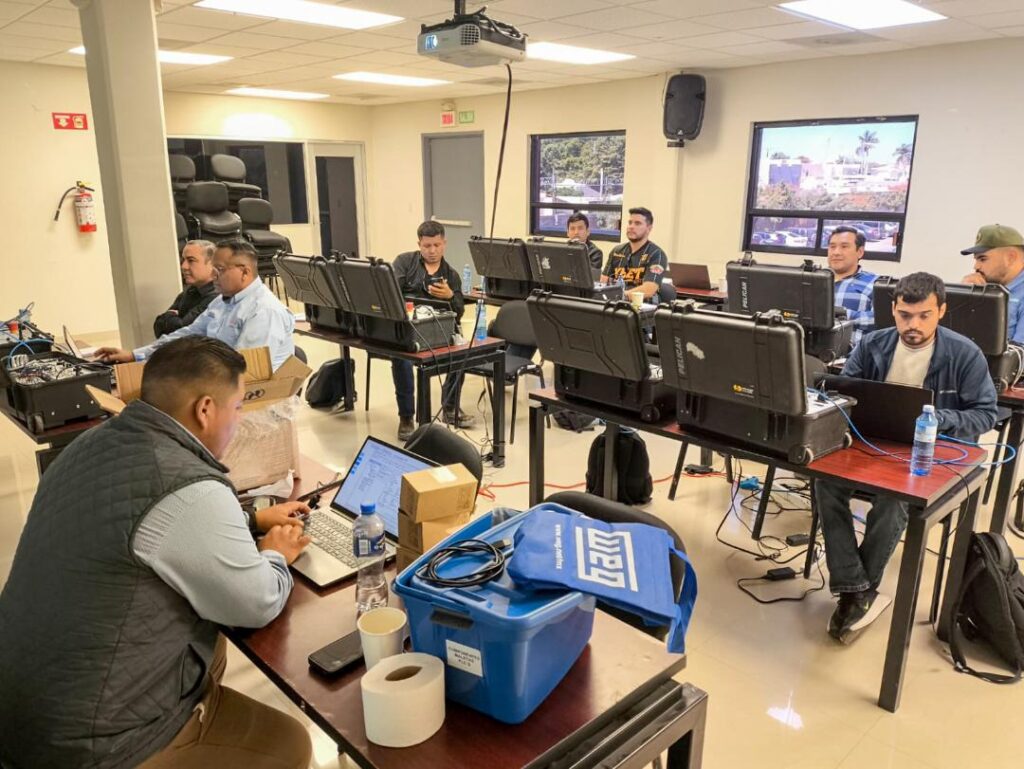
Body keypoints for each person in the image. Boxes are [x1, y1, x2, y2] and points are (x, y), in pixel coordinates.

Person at [0, 337, 313, 769]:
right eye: (239, 407)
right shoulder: (187, 486)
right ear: (205, 410)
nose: (240, 420)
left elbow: (141, 524)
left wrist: (250, 520)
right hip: (89, 747)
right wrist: (276, 555)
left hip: (24, 710)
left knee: (212, 643)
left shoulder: (89, 445)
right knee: (290, 744)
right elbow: (256, 604)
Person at [816, 272, 997, 644]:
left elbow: (985, 415)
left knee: (893, 500)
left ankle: (857, 592)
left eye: (924, 316)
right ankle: (855, 586)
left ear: (941, 311)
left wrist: (937, 418)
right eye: (904, 315)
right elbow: (845, 392)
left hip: (930, 453)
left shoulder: (964, 353)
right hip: (874, 444)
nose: (913, 325)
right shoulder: (873, 344)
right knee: (824, 482)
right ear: (894, 310)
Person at [97, 239, 295, 371]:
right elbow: (187, 334)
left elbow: (245, 370)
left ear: (244, 272)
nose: (214, 275)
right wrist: (135, 355)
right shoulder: (222, 302)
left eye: (219, 269)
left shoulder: (263, 311)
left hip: (254, 402)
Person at [392, 220, 475, 441]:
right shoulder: (404, 263)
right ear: (419, 244)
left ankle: (450, 407)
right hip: (408, 331)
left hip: (439, 331)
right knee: (401, 359)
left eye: (437, 245)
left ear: (444, 243)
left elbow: (459, 312)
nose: (432, 250)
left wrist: (450, 296)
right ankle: (406, 417)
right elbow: (391, 293)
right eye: (427, 246)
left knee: (462, 350)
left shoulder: (451, 275)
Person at [960, 223, 1024, 343]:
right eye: (976, 260)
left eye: (983, 259)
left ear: (1011, 257)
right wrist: (963, 297)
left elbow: (1019, 352)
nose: (976, 267)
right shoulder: (988, 288)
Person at [154, 240, 219, 338]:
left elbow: (184, 331)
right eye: (183, 260)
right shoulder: (189, 291)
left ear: (212, 264)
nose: (183, 266)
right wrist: (173, 319)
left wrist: (169, 316)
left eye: (191, 260)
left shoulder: (217, 296)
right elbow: (158, 327)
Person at [600, 207, 668, 301]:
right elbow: (603, 282)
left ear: (649, 228)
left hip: (642, 305)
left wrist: (621, 296)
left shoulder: (657, 254)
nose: (631, 226)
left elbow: (649, 289)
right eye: (630, 222)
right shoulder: (617, 251)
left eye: (637, 223)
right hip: (614, 302)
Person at [828, 225, 877, 348]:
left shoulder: (874, 283)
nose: (836, 252)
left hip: (852, 355)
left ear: (859, 252)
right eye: (832, 247)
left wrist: (843, 315)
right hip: (806, 352)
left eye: (844, 247)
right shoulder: (811, 280)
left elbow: (883, 320)